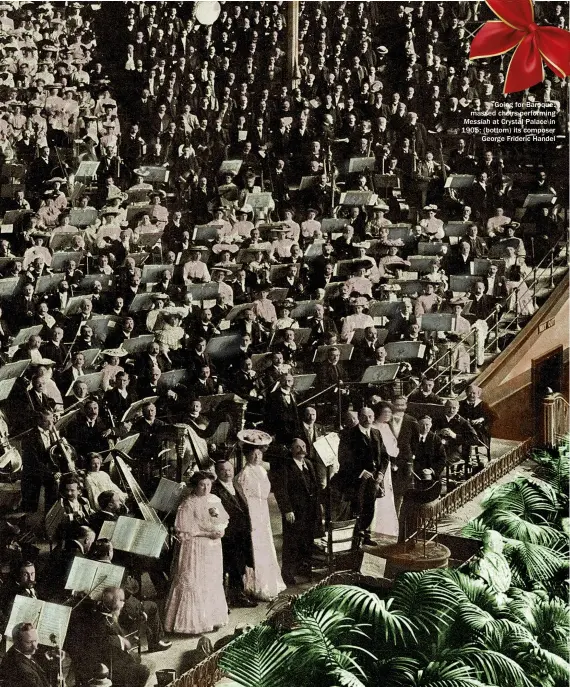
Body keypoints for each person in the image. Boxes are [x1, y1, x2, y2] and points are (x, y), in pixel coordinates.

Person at [164, 471, 229, 635]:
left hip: (213, 547)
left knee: (211, 580)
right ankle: (193, 623)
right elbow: (184, 531)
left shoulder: (214, 500)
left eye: (208, 484)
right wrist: (208, 534)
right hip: (195, 546)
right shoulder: (188, 504)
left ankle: (211, 618)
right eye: (202, 485)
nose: (206, 488)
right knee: (195, 580)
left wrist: (221, 530)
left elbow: (223, 520)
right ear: (195, 486)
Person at [235, 447, 286, 600]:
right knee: (256, 546)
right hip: (252, 511)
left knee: (266, 544)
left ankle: (270, 584)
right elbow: (242, 499)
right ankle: (257, 587)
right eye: (253, 453)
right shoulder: (244, 474)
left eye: (259, 453)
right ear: (246, 455)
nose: (257, 456)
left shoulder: (263, 471)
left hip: (263, 510)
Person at [272, 438, 322, 585]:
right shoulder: (285, 466)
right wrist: (287, 510)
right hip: (294, 511)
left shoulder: (309, 464)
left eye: (304, 446)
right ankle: (287, 572)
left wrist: (318, 505)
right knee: (291, 542)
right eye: (298, 447)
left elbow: (315, 486)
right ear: (291, 450)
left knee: (306, 540)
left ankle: (303, 567)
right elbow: (281, 490)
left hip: (309, 510)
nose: (302, 449)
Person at [335, 407, 389, 545]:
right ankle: (354, 539)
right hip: (355, 479)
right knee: (356, 507)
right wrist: (360, 471)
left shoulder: (376, 433)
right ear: (359, 417)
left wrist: (381, 473)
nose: (368, 419)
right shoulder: (348, 435)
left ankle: (365, 535)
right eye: (364, 416)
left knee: (369, 506)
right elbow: (343, 458)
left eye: (370, 416)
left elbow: (384, 456)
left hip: (374, 479)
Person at [211, 460, 257, 608]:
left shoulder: (236, 484)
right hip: (227, 534)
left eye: (230, 469)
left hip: (241, 532)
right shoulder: (214, 489)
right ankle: (223, 600)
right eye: (223, 470)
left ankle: (238, 595)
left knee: (239, 565)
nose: (228, 473)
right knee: (224, 567)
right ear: (217, 472)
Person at [0, 622, 58, 687]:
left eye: (35, 640)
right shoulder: (23, 670)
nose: (35, 646)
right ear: (17, 642)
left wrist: (47, 656)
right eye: (29, 642)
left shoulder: (19, 651)